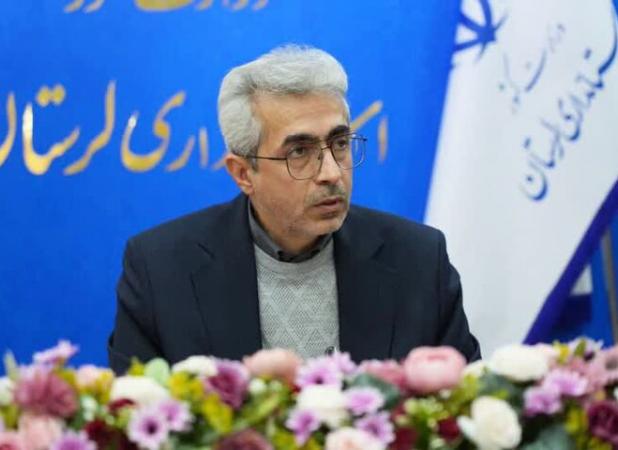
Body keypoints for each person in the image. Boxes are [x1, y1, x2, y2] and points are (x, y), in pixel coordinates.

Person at [108, 45, 480, 374]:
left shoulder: (418, 260)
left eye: (340, 143)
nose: (331, 173)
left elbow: (463, 408)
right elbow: (136, 416)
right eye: (299, 152)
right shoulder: (161, 270)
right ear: (243, 174)